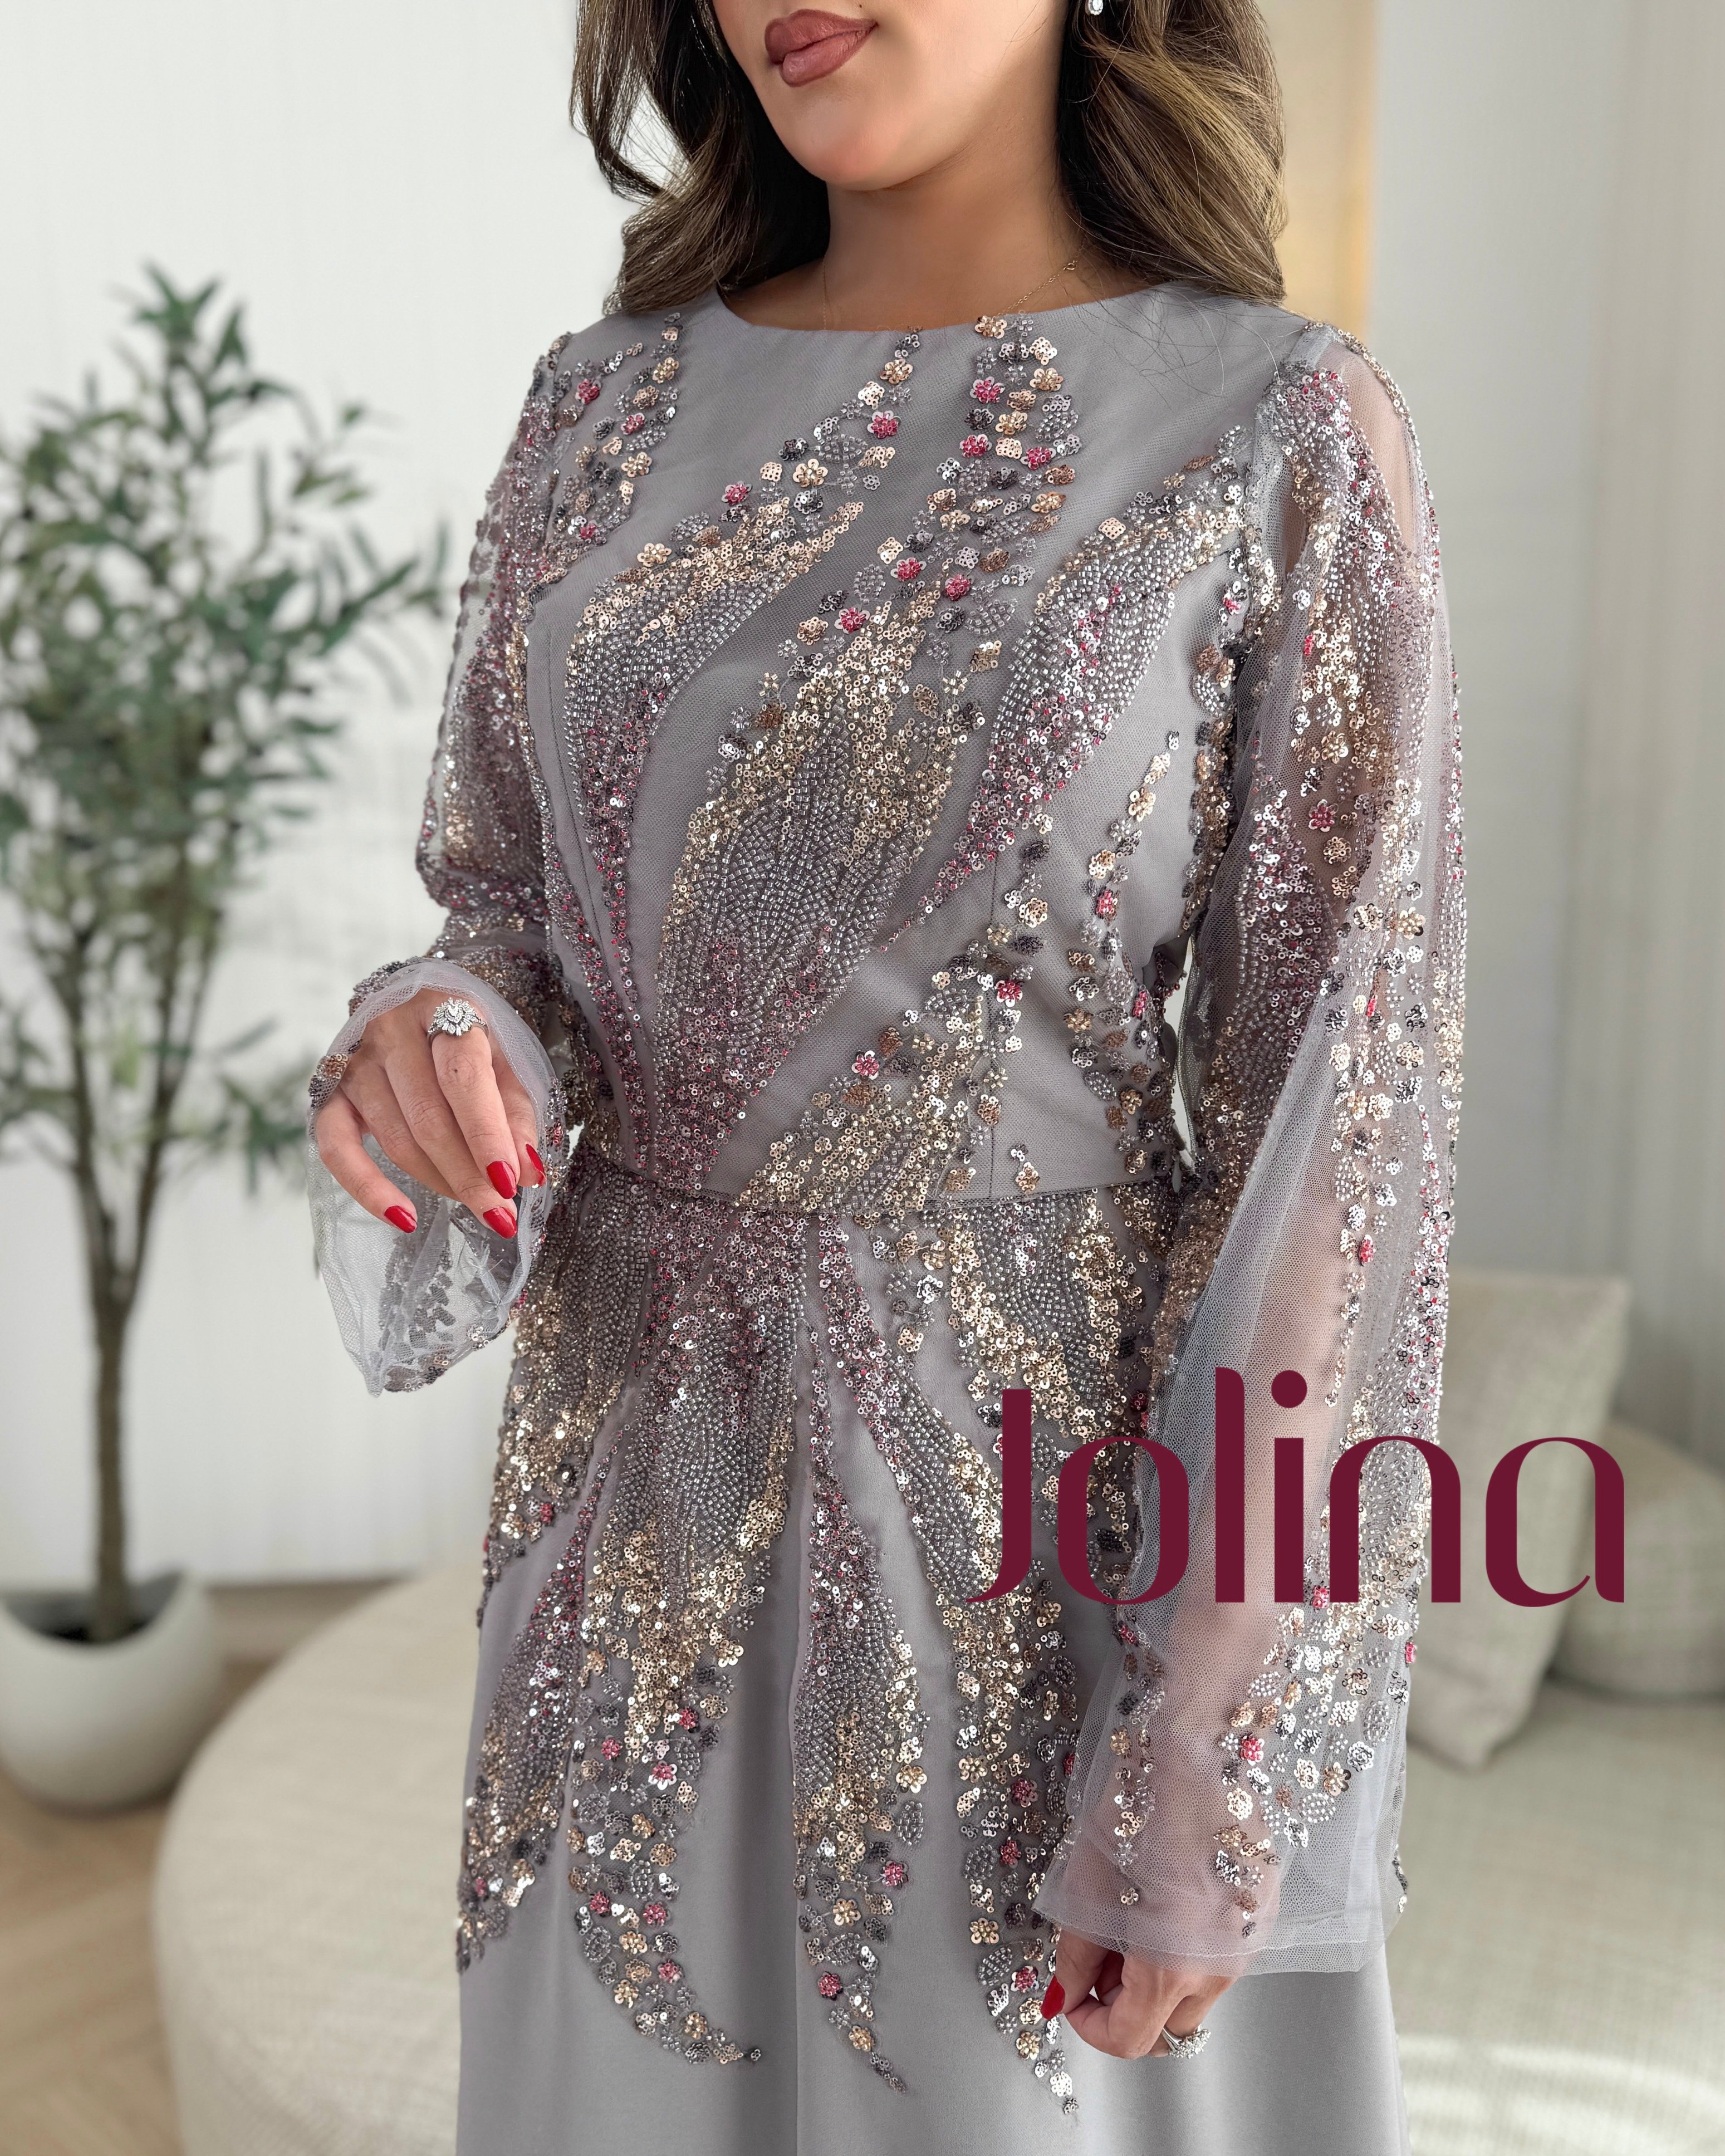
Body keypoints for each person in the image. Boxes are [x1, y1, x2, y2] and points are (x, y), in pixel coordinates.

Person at [307, 1, 1462, 2149]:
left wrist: (1211, 1744)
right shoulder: (596, 404)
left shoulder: (1277, 424)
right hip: (621, 1531)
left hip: (1025, 1564)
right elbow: (507, 913)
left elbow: (1338, 1127)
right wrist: (438, 1032)